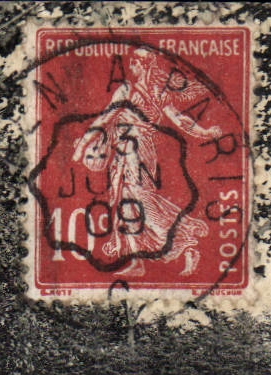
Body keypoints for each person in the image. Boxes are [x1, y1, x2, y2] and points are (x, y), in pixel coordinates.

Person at [72, 48, 223, 277]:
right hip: (127, 150)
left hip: (136, 149)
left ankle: (184, 243)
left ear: (142, 66)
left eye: (134, 63)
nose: (131, 67)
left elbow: (105, 119)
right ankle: (136, 261)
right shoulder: (148, 91)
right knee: (127, 202)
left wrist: (206, 133)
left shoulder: (133, 90)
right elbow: (107, 118)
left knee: (139, 200)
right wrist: (206, 133)